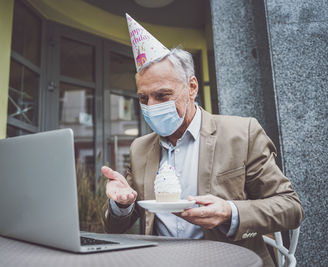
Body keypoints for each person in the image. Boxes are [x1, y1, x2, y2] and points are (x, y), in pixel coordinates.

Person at [102, 14, 304, 266]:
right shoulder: (139, 148)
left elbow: (291, 208)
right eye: (144, 98)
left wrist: (231, 212)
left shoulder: (242, 133)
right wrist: (121, 204)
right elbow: (115, 224)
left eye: (162, 95)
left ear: (192, 87)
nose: (151, 106)